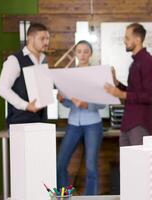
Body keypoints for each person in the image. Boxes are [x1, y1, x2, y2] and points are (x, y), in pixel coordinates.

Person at [57, 40, 105, 195]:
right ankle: (64, 197)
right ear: (75, 54)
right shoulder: (69, 75)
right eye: (79, 51)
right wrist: (62, 99)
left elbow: (103, 104)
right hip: (73, 124)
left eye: (86, 51)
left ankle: (90, 198)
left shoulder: (97, 75)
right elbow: (70, 104)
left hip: (93, 124)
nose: (82, 54)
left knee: (91, 165)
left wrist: (87, 105)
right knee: (61, 163)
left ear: (90, 54)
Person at [105, 23, 152, 146]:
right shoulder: (135, 62)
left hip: (139, 124)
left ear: (138, 40)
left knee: (139, 164)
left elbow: (149, 96)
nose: (124, 41)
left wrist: (121, 94)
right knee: (126, 163)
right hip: (127, 123)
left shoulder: (147, 62)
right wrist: (116, 83)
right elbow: (133, 91)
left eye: (127, 38)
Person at [0, 23, 50, 126]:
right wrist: (26, 105)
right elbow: (2, 89)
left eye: (48, 38)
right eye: (42, 39)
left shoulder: (44, 59)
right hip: (19, 121)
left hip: (41, 120)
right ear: (30, 39)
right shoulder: (14, 60)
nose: (46, 42)